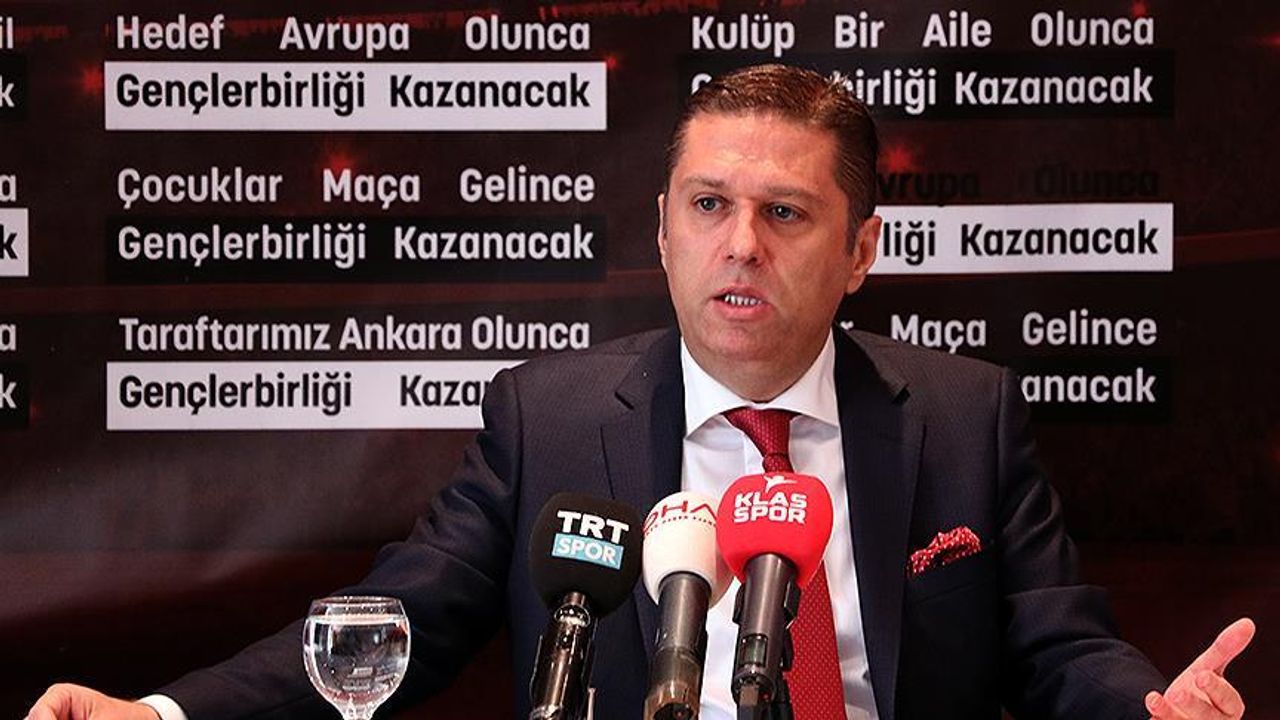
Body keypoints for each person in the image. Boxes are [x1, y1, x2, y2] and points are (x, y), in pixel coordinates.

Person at [29, 64, 1253, 720]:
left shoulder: (961, 417)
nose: (740, 245)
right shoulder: (548, 421)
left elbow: (1055, 645)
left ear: (859, 251)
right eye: (708, 206)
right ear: (662, 232)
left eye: (785, 214)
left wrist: (1151, 706)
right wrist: (163, 717)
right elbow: (392, 624)